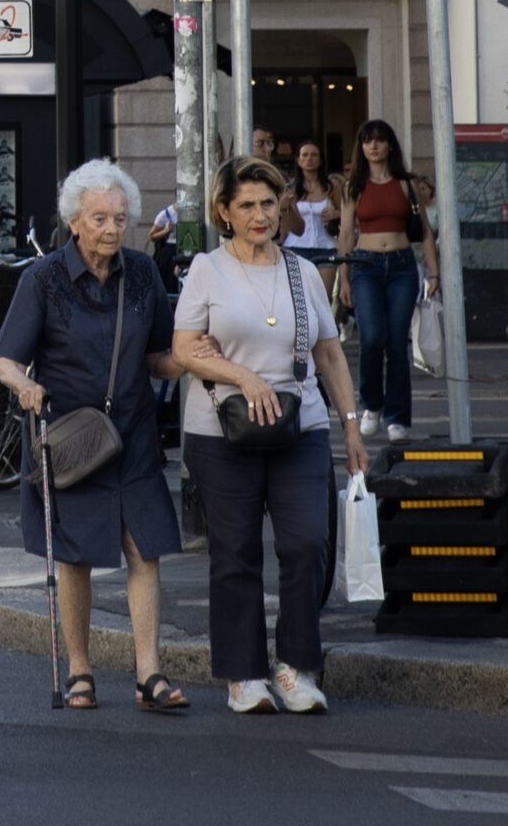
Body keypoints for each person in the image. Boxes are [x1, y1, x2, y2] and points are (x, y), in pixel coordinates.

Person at [0, 159, 193, 716]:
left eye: (120, 218)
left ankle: (148, 671)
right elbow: (5, 361)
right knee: (75, 558)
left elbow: (156, 357)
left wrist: (188, 361)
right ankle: (80, 669)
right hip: (73, 440)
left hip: (132, 433)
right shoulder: (44, 279)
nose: (111, 228)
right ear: (75, 222)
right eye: (100, 218)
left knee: (143, 548)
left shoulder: (142, 275)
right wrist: (24, 385)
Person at [174, 158, 371, 714]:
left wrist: (351, 426)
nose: (261, 215)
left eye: (269, 203)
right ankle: (243, 675)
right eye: (247, 205)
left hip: (299, 425)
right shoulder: (206, 270)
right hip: (220, 431)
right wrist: (243, 376)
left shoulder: (301, 271)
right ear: (224, 213)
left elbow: (329, 354)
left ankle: (296, 666)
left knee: (307, 542)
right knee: (235, 552)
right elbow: (186, 349)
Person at [335, 118, 435, 441]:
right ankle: (372, 405)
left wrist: (433, 272)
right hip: (365, 266)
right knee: (372, 338)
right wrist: (345, 280)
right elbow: (346, 234)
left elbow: (425, 232)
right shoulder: (353, 186)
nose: (373, 145)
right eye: (367, 140)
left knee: (396, 342)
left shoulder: (407, 184)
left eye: (379, 140)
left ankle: (397, 418)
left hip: (403, 266)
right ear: (361, 146)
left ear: (390, 145)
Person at [284, 139, 340, 309]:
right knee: (297, 300)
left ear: (321, 160)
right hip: (296, 247)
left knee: (323, 299)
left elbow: (348, 213)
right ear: (298, 160)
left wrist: (337, 214)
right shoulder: (291, 188)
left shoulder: (331, 186)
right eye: (305, 155)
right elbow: (287, 223)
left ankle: (323, 334)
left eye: (314, 155)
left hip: (325, 245)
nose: (309, 159)